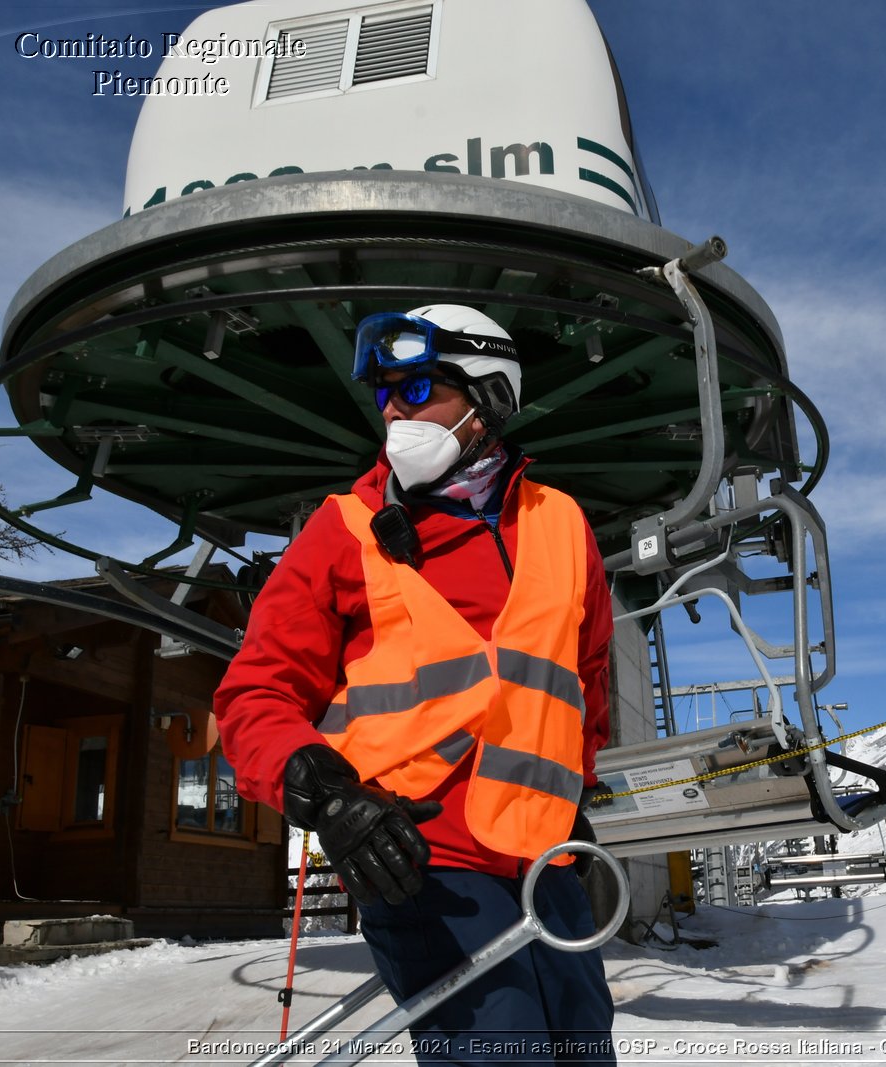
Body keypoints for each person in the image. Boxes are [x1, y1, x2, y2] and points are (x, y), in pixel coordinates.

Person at [214, 304, 616, 1065]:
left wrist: (576, 801)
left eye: (419, 386)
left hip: (548, 857)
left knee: (585, 1052)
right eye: (384, 393)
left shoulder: (563, 524)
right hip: (420, 855)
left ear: (489, 397)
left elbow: (584, 687)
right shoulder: (344, 530)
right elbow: (256, 693)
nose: (394, 410)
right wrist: (325, 794)